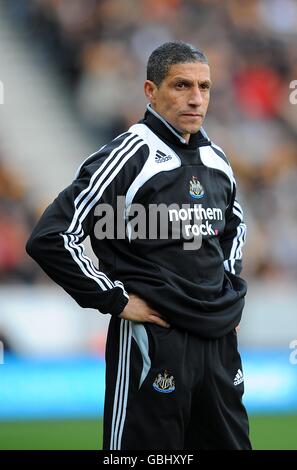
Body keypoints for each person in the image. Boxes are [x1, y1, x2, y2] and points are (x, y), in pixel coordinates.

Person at [26, 41, 251, 450]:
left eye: (205, 87)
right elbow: (52, 235)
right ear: (150, 91)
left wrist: (228, 290)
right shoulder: (129, 155)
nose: (196, 99)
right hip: (155, 339)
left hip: (218, 343)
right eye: (182, 85)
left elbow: (235, 228)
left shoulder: (217, 159)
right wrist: (113, 299)